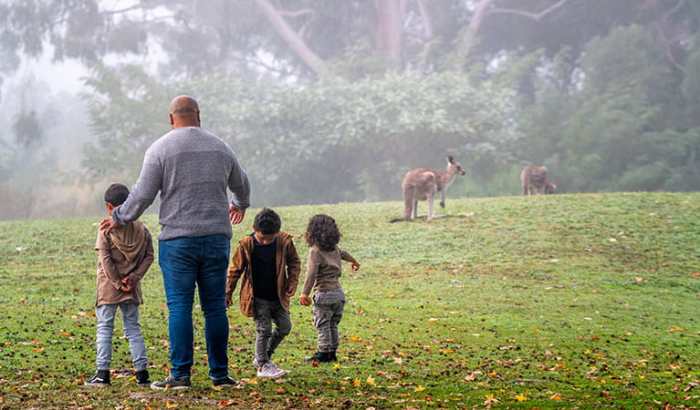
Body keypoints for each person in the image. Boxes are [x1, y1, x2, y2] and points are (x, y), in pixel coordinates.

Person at [100, 95, 250, 390]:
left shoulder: (160, 149)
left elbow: (143, 194)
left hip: (178, 240)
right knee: (215, 307)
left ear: (171, 119)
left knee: (180, 306)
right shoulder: (220, 146)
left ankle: (180, 375)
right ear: (199, 115)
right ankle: (220, 374)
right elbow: (241, 182)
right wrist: (241, 203)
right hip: (216, 237)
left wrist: (119, 216)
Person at [85, 183, 154, 387]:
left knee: (105, 327)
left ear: (109, 206)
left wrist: (116, 282)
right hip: (131, 288)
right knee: (133, 328)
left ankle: (102, 373)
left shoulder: (106, 229)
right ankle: (142, 374)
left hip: (108, 288)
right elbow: (149, 256)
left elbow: (105, 260)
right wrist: (133, 278)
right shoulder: (142, 229)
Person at [226, 208, 301, 378]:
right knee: (264, 329)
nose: (266, 242)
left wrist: (292, 282)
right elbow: (235, 270)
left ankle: (263, 356)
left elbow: (294, 262)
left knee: (285, 327)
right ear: (254, 229)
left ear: (277, 232)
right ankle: (262, 365)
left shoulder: (284, 242)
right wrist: (228, 293)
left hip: (278, 296)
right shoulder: (246, 245)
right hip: (257, 297)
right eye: (262, 238)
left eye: (270, 238)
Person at [299, 214, 360, 363]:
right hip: (338, 294)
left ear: (312, 232)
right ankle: (332, 352)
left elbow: (311, 274)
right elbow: (344, 254)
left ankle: (323, 352)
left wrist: (304, 293)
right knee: (332, 324)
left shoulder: (315, 251)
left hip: (323, 293)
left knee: (322, 324)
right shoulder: (335, 248)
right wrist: (354, 261)